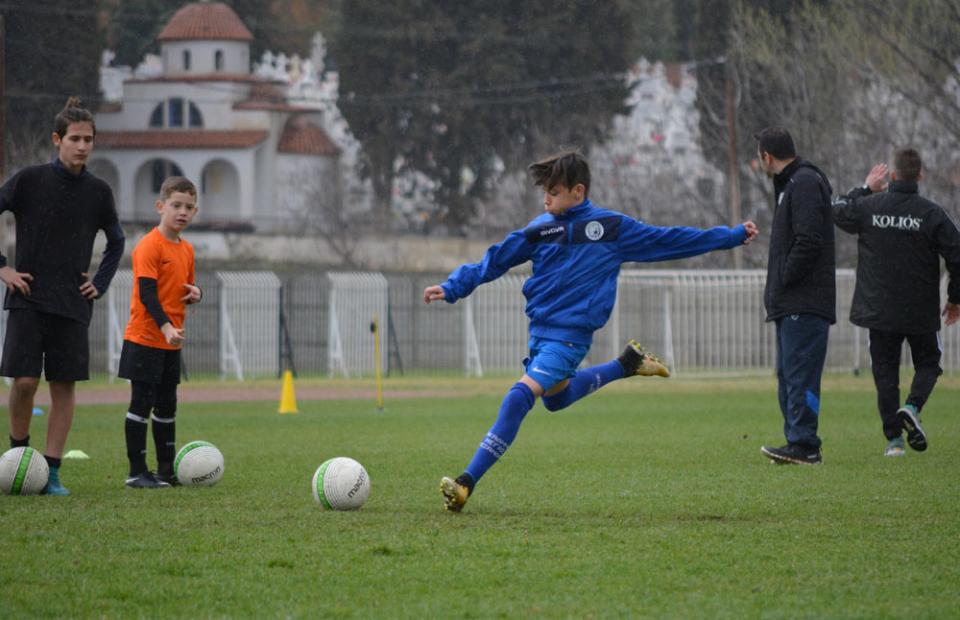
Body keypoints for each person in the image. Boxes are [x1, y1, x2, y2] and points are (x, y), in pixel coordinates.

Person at [424, 151, 759, 512]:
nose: (545, 198)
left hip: (570, 337)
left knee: (519, 397)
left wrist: (731, 236)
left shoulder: (611, 229)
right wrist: (454, 286)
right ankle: (626, 365)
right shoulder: (541, 228)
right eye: (544, 192)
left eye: (553, 191)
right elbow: (496, 259)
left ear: (578, 191)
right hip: (539, 333)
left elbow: (671, 240)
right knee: (555, 399)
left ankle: (465, 483)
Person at [0, 97, 125, 495]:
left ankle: (52, 470)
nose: (83, 146)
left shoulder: (99, 191)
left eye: (89, 139)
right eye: (75, 138)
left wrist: (100, 283)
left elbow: (117, 241)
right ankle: (20, 457)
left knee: (63, 386)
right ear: (57, 139)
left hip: (72, 302)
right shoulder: (29, 180)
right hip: (28, 295)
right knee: (23, 382)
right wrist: (2, 268)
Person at [833, 149, 960, 457]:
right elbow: (957, 257)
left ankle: (894, 441)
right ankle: (912, 406)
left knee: (885, 372)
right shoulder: (932, 213)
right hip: (919, 309)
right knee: (929, 363)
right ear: (920, 176)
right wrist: (955, 299)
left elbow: (835, 210)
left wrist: (865, 187)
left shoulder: (869, 207)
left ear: (891, 176)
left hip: (879, 310)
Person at [756, 127, 835, 466]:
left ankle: (806, 444)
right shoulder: (790, 185)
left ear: (766, 156)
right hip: (790, 302)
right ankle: (796, 442)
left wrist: (785, 279)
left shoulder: (803, 183)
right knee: (789, 374)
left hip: (804, 300)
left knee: (800, 374)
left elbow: (809, 240)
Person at [119, 176, 201, 488]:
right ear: (160, 206)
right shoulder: (149, 246)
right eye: (176, 205)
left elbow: (187, 289)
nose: (182, 212)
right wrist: (165, 327)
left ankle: (166, 471)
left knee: (168, 404)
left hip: (170, 342)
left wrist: (198, 293)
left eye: (189, 207)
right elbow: (147, 294)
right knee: (142, 402)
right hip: (144, 338)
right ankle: (137, 471)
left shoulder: (188, 249)